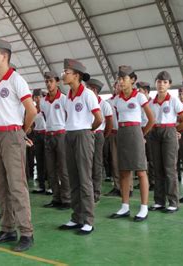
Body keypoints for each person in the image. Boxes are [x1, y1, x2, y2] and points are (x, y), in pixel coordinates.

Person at [0, 37, 37, 252]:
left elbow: (31, 110)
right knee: (0, 184)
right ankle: (7, 228)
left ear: (4, 56)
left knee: (17, 185)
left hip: (11, 134)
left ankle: (26, 232)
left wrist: (21, 132)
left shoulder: (16, 79)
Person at [57, 59, 102, 235]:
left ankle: (88, 220)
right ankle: (76, 217)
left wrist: (88, 131)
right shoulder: (68, 95)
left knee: (84, 179)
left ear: (76, 75)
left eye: (66, 72)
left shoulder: (88, 94)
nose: (63, 75)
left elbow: (98, 118)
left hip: (83, 134)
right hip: (69, 135)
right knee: (73, 177)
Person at [110, 65, 154, 222]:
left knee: (141, 171)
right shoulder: (116, 99)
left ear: (132, 80)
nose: (121, 81)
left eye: (124, 79)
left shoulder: (139, 97)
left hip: (135, 131)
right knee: (124, 171)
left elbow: (151, 119)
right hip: (122, 133)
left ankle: (143, 207)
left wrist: (141, 134)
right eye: (119, 79)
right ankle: (125, 206)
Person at [148, 71, 183, 214]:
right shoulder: (150, 103)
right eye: (159, 81)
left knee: (169, 168)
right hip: (154, 133)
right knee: (157, 168)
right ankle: (159, 201)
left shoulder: (174, 101)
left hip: (168, 132)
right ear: (155, 83)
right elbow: (148, 120)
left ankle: (173, 202)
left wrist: (174, 130)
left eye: (165, 82)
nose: (161, 84)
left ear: (169, 85)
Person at [40, 71, 71, 209]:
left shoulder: (63, 99)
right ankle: (56, 197)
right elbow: (45, 118)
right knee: (51, 169)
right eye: (46, 81)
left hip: (61, 135)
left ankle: (67, 199)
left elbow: (68, 117)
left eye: (51, 81)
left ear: (57, 82)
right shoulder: (43, 101)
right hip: (49, 135)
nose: (48, 84)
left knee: (63, 169)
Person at [86, 78, 113, 203]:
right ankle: (87, 191)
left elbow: (109, 124)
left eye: (88, 87)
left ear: (94, 90)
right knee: (86, 163)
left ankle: (95, 193)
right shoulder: (86, 100)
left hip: (97, 135)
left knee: (96, 164)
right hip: (86, 134)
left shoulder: (104, 105)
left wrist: (103, 135)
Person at [136, 81, 155, 191]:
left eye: (140, 90)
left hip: (150, 131)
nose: (138, 92)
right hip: (140, 129)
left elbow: (153, 119)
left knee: (151, 158)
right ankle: (144, 181)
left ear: (146, 91)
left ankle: (153, 181)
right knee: (142, 158)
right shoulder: (138, 102)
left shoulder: (152, 104)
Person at [30, 89, 48, 194]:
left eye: (38, 97)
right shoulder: (33, 109)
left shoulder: (45, 107)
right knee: (39, 160)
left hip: (46, 134)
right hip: (37, 134)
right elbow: (32, 124)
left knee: (48, 161)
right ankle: (41, 185)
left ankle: (50, 185)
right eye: (35, 97)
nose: (36, 99)